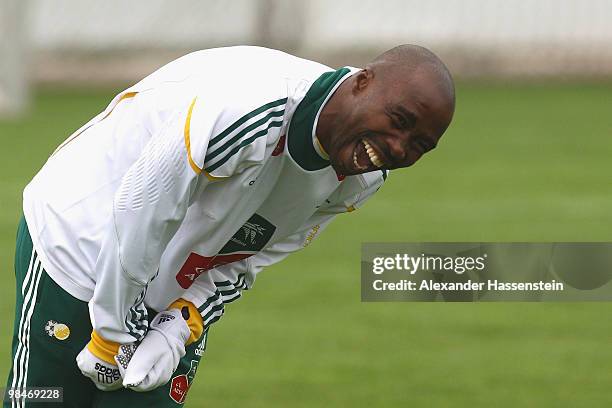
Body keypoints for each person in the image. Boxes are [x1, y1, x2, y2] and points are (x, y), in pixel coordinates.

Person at [4, 44, 455, 407]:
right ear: (361, 83)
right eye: (399, 122)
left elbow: (250, 253)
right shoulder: (250, 109)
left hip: (165, 276)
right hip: (80, 236)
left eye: (420, 145)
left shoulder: (363, 178)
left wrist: (182, 322)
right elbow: (141, 210)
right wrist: (110, 335)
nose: (398, 148)